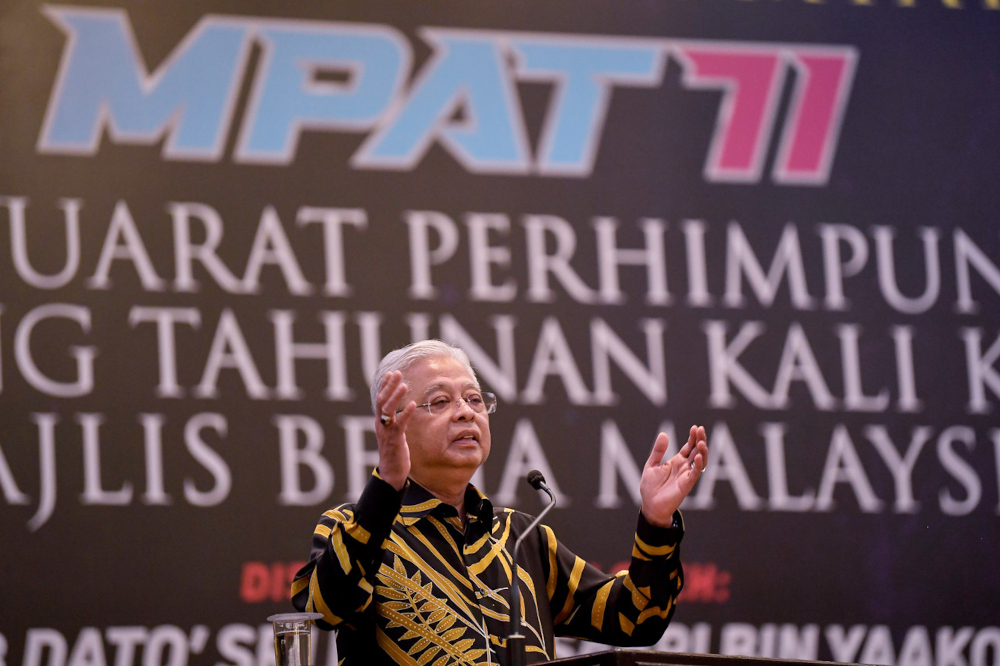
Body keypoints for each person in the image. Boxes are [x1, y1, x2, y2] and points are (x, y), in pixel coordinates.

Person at [291, 340, 709, 666]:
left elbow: (635, 618)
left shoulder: (521, 536)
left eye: (474, 399)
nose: (465, 413)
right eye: (440, 401)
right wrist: (387, 485)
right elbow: (325, 607)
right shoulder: (353, 526)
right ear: (392, 422)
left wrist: (656, 522)